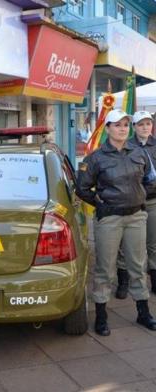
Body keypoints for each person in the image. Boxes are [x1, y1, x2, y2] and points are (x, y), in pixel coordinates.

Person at [76, 109, 156, 336]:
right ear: (108, 128)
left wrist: (139, 195)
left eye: (125, 125)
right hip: (109, 218)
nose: (123, 129)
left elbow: (151, 181)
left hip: (136, 217)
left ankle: (143, 312)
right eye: (117, 125)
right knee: (105, 268)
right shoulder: (95, 158)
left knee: (138, 266)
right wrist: (101, 203)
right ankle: (101, 316)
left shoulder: (139, 154)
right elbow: (82, 188)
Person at [115, 111, 156, 298]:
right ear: (134, 127)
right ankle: (123, 282)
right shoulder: (126, 146)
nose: (145, 127)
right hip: (131, 203)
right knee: (125, 246)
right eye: (141, 124)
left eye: (148, 123)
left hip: (153, 201)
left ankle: (154, 281)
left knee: (153, 244)